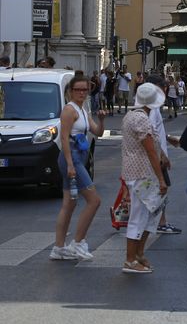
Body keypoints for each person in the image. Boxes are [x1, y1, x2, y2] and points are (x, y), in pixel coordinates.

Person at [50, 76, 106, 261]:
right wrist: (70, 164)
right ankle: (78, 242)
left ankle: (59, 248)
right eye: (78, 90)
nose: (82, 93)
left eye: (85, 90)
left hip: (78, 157)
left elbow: (97, 132)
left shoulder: (82, 109)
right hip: (71, 157)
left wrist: (101, 120)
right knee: (94, 200)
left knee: (69, 203)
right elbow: (64, 138)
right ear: (70, 91)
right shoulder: (69, 110)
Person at [120, 83, 169, 273]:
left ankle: (138, 254)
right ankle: (130, 260)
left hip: (137, 173)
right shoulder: (141, 120)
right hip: (142, 174)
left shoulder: (131, 116)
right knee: (139, 217)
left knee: (150, 214)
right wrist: (161, 178)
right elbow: (150, 151)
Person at [144, 74, 181, 235]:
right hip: (155, 156)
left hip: (157, 153)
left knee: (161, 188)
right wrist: (161, 155)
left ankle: (160, 221)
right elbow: (150, 132)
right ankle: (159, 222)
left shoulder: (154, 108)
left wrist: (167, 138)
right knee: (161, 187)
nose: (166, 91)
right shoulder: (152, 109)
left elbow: (154, 131)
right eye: (163, 88)